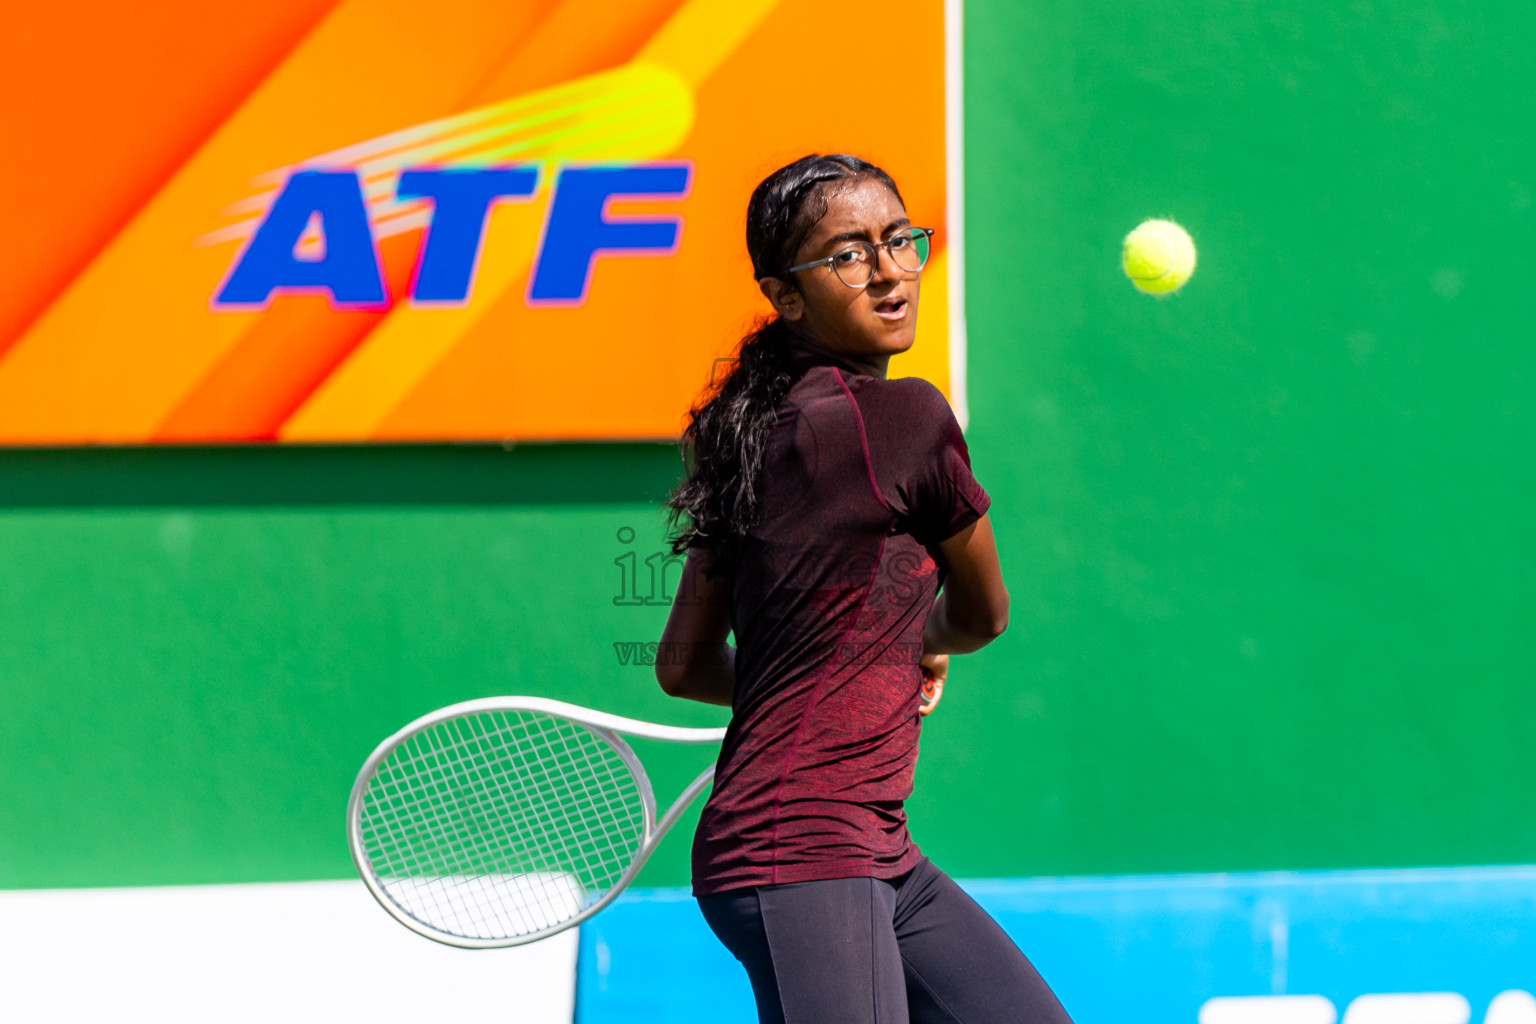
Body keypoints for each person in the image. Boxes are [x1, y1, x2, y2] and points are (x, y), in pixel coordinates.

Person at [656, 153, 1074, 1024]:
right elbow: (984, 615)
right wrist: (919, 643)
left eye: (899, 241)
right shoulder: (909, 418)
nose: (889, 273)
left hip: (865, 849)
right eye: (849, 254)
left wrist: (866, 666)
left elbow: (686, 666)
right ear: (785, 294)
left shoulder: (750, 432)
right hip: (803, 851)